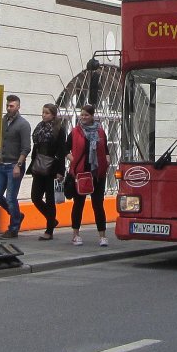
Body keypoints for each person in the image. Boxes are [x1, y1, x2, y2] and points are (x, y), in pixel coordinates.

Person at [66, 104, 110, 246]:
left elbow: (106, 150)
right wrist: (71, 159)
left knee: (98, 205)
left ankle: (102, 236)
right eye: (82, 115)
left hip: (97, 174)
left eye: (86, 115)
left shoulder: (101, 132)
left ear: (92, 116)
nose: (83, 117)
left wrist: (107, 159)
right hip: (81, 174)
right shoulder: (75, 132)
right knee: (79, 204)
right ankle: (75, 234)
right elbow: (65, 149)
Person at [0, 94, 32, 239]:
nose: (9, 108)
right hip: (2, 164)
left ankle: (13, 227)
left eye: (12, 106)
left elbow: (26, 148)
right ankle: (17, 215)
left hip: (15, 165)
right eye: (8, 105)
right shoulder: (3, 121)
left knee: (10, 197)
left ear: (18, 107)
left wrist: (19, 165)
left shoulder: (23, 124)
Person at [29, 103, 67, 241]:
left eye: (47, 113)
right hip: (39, 165)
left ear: (53, 115)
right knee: (35, 197)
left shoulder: (59, 129)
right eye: (43, 112)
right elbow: (35, 148)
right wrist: (33, 165)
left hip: (52, 167)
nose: (44, 115)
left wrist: (60, 171)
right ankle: (52, 219)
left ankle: (49, 229)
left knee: (50, 199)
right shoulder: (39, 127)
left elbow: (62, 151)